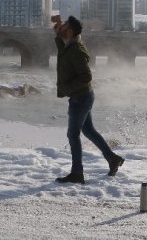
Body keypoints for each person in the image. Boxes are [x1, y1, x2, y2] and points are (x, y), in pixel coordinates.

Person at [53, 15, 124, 184]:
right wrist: (57, 36)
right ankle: (112, 159)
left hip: (80, 98)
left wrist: (67, 89)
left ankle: (77, 173)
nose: (61, 26)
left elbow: (86, 76)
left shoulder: (75, 49)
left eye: (64, 26)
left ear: (69, 32)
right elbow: (63, 53)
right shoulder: (70, 45)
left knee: (73, 135)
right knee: (89, 131)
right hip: (83, 96)